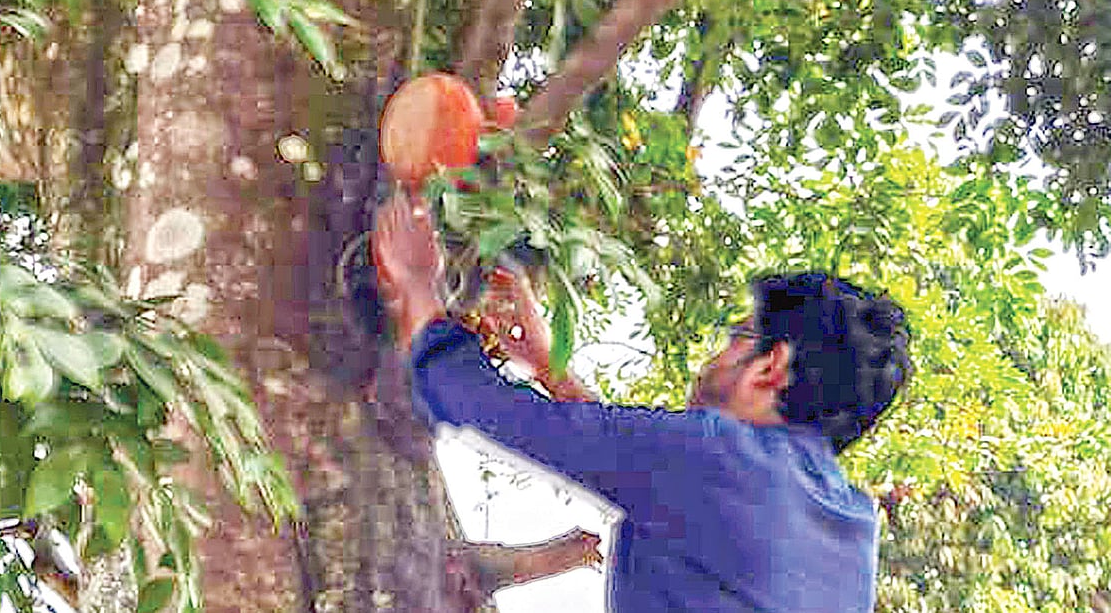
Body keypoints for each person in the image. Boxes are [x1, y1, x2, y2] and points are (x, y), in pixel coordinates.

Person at [371, 189, 914, 613]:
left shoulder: (718, 458)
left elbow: (483, 406)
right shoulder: (849, 517)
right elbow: (648, 472)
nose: (719, 349)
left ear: (772, 366)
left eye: (738, 335)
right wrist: (550, 370)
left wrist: (417, 287)